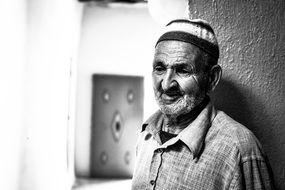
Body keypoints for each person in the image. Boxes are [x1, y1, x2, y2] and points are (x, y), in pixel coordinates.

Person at [131, 19, 275, 190]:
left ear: (212, 78)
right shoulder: (146, 134)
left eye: (183, 70)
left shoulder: (240, 150)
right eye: (160, 68)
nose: (166, 84)